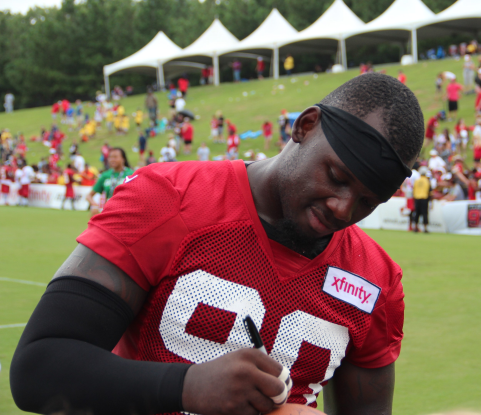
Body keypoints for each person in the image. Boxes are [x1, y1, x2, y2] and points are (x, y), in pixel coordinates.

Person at [10, 73, 424, 415]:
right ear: (305, 126)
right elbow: (39, 367)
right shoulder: (167, 198)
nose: (341, 208)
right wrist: (186, 385)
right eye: (336, 176)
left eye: (367, 201)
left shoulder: (376, 279)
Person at [85, 147, 133, 217]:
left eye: (115, 157)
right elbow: (89, 196)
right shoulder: (105, 175)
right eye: (110, 157)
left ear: (123, 159)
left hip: (125, 214)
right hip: (108, 213)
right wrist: (94, 205)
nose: (112, 160)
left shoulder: (131, 174)